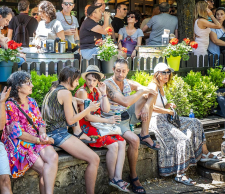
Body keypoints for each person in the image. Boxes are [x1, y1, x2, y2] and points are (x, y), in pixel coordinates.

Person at [147, 63, 218, 185]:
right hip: (156, 121)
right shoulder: (153, 86)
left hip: (165, 117)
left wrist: (169, 105)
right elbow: (151, 107)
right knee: (183, 140)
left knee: (195, 122)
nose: (166, 75)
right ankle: (180, 175)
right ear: (157, 74)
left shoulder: (161, 87)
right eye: (163, 72)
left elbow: (160, 106)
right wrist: (168, 110)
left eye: (168, 72)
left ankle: (204, 153)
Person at [104, 59, 160, 194]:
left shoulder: (128, 82)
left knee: (152, 90)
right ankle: (134, 177)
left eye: (123, 71)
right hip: (115, 121)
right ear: (113, 70)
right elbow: (124, 102)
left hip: (127, 116)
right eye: (118, 71)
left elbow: (152, 91)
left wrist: (146, 106)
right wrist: (141, 92)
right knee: (134, 140)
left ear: (127, 71)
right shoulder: (108, 85)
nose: (121, 74)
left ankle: (145, 134)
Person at [41, 66, 100, 194]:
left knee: (94, 158)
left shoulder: (54, 89)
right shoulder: (66, 93)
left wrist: (83, 101)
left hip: (49, 132)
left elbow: (71, 101)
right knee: (94, 159)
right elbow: (71, 121)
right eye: (77, 80)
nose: (78, 83)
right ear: (69, 79)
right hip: (58, 134)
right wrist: (88, 109)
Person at [2, 71, 58, 193]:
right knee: (44, 169)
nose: (31, 85)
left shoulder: (32, 101)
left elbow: (40, 123)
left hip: (36, 139)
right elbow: (17, 133)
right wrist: (40, 140)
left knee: (53, 157)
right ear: (18, 87)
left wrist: (42, 134)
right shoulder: (10, 105)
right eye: (28, 83)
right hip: (20, 143)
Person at [75, 65, 128, 192]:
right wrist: (107, 120)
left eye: (94, 80)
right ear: (85, 79)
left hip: (97, 123)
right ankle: (112, 178)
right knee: (114, 145)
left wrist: (103, 93)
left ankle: (118, 178)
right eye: (89, 79)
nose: (91, 82)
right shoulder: (83, 92)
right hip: (86, 127)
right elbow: (87, 117)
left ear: (98, 81)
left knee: (122, 141)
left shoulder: (96, 91)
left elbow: (106, 109)